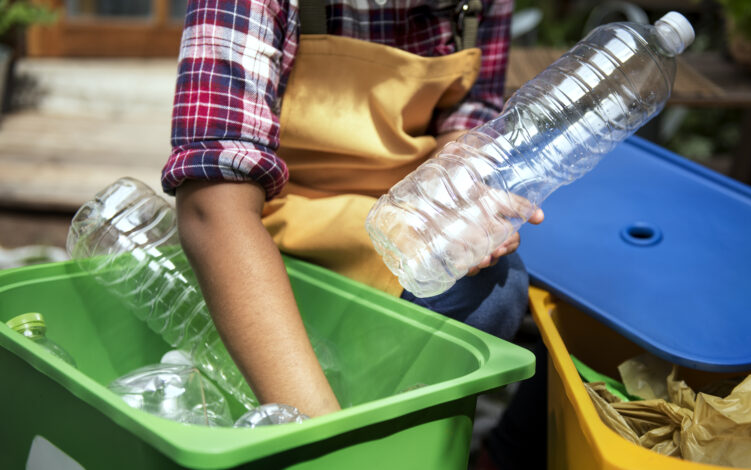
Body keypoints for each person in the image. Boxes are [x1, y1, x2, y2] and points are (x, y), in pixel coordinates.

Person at [162, 0, 543, 442]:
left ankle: (395, 439)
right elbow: (212, 205)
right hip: (272, 229)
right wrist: (324, 437)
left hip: (397, 221)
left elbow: (469, 112)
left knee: (495, 288)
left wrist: (460, 195)